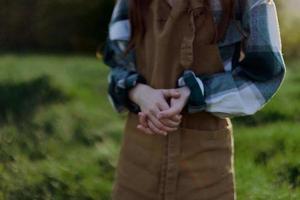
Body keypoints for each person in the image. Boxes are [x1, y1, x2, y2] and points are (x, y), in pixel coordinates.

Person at [103, 0, 286, 199]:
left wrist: (198, 93)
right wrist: (138, 92)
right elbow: (117, 64)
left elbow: (265, 74)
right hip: (137, 158)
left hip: (205, 166)